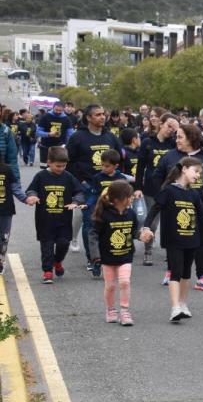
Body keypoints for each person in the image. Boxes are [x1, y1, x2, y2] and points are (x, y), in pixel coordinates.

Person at [152, 123, 203, 290]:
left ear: (191, 138)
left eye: (180, 137)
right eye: (176, 137)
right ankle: (171, 272)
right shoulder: (170, 156)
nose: (176, 140)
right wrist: (163, 198)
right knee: (175, 240)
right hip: (175, 206)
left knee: (202, 240)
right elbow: (157, 177)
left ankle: (202, 277)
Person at [142, 157, 203, 321]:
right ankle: (175, 307)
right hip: (174, 239)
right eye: (196, 171)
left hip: (192, 238)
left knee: (186, 273)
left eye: (200, 173)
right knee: (175, 271)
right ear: (184, 168)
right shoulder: (168, 191)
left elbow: (202, 217)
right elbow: (154, 209)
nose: (198, 176)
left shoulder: (193, 193)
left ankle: (183, 304)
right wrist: (146, 226)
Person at [88, 180, 152, 326]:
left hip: (125, 256)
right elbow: (93, 235)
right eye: (129, 196)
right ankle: (110, 310)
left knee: (124, 282)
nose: (132, 198)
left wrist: (142, 235)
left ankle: (124, 311)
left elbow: (134, 232)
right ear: (118, 199)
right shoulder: (103, 215)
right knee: (110, 286)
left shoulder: (131, 214)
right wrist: (95, 255)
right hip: (107, 257)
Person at [67, 105, 123, 260]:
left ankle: (105, 251)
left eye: (103, 114)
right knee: (90, 222)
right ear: (88, 118)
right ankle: (92, 258)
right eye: (98, 115)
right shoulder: (77, 137)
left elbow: (120, 158)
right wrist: (81, 182)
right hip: (88, 186)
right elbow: (69, 162)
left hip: (109, 187)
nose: (102, 117)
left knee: (109, 220)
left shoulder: (110, 136)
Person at [25, 147, 85, 283]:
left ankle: (57, 261)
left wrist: (76, 201)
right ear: (49, 162)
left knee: (63, 243)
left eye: (64, 166)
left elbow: (79, 192)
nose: (61, 168)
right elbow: (31, 190)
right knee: (47, 246)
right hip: (45, 220)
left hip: (63, 220)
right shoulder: (40, 176)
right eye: (58, 166)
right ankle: (47, 271)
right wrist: (32, 196)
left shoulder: (68, 177)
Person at [136, 113, 179, 266]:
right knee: (152, 222)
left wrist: (178, 129)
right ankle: (148, 251)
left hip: (171, 187)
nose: (170, 130)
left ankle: (171, 252)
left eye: (173, 128)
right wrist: (137, 187)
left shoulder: (174, 143)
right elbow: (140, 167)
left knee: (171, 222)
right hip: (151, 187)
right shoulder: (148, 142)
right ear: (160, 124)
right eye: (168, 126)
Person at [84, 149, 133, 278]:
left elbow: (126, 195)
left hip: (116, 214)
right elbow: (93, 194)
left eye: (107, 166)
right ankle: (96, 261)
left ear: (115, 166)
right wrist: (88, 205)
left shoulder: (121, 178)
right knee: (98, 236)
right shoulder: (97, 177)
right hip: (102, 211)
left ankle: (115, 262)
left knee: (110, 238)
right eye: (102, 165)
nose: (103, 168)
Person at [0, 157, 30, 274]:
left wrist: (25, 199)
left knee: (4, 237)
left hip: (5, 210)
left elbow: (15, 188)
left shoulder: (7, 170)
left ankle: (1, 260)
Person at [35, 101, 73, 168]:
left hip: (59, 147)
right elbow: (38, 132)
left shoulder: (66, 119)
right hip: (45, 146)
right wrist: (48, 134)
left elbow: (70, 134)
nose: (58, 112)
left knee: (57, 167)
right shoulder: (45, 117)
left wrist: (68, 145)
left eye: (60, 110)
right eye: (56, 110)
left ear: (63, 109)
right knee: (45, 167)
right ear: (53, 108)